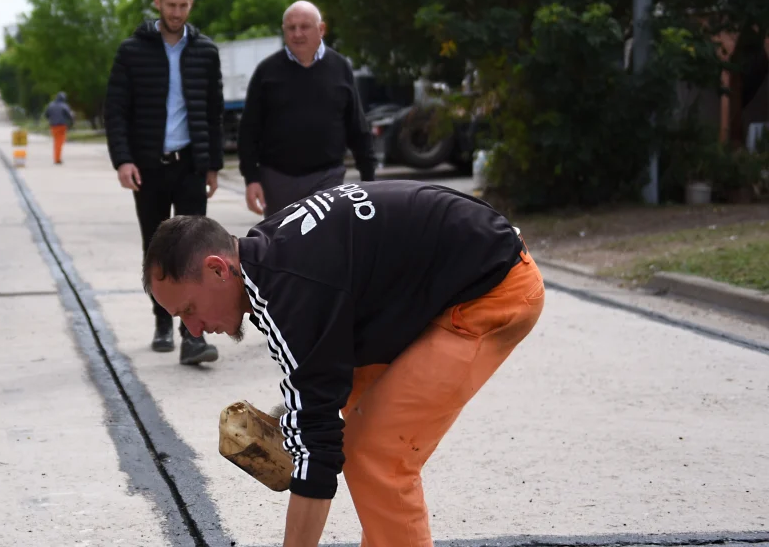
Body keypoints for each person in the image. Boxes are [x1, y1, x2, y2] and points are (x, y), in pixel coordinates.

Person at [143, 180, 545, 547]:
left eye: (190, 310)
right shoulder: (266, 258)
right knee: (352, 427)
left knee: (375, 453)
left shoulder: (292, 293)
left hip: (492, 288)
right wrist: (300, 422)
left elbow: (318, 452)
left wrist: (307, 432)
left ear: (218, 268)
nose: (193, 331)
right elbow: (318, 380)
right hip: (444, 278)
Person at [104, 0, 224, 365]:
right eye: (170, 5)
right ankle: (161, 319)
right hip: (148, 168)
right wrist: (123, 160)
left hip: (189, 165)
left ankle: (193, 336)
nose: (176, 12)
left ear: (191, 5)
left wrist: (212, 165)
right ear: (157, 3)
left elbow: (213, 111)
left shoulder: (205, 51)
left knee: (195, 251)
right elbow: (116, 111)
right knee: (156, 250)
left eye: (183, 5)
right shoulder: (132, 51)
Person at [238, 1, 377, 217]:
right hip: (277, 181)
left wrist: (368, 179)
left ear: (321, 29)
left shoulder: (340, 68)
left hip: (327, 177)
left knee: (327, 244)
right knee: (284, 247)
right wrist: (251, 179)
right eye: (291, 28)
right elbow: (248, 130)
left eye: (305, 27)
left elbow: (357, 127)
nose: (297, 34)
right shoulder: (267, 71)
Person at [44, 91, 74, 164]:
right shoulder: (64, 105)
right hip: (62, 126)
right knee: (59, 142)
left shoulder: (50, 105)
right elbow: (69, 116)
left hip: (53, 126)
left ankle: (57, 158)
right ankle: (57, 159)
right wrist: (71, 123)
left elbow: (46, 115)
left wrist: (51, 119)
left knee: (56, 142)